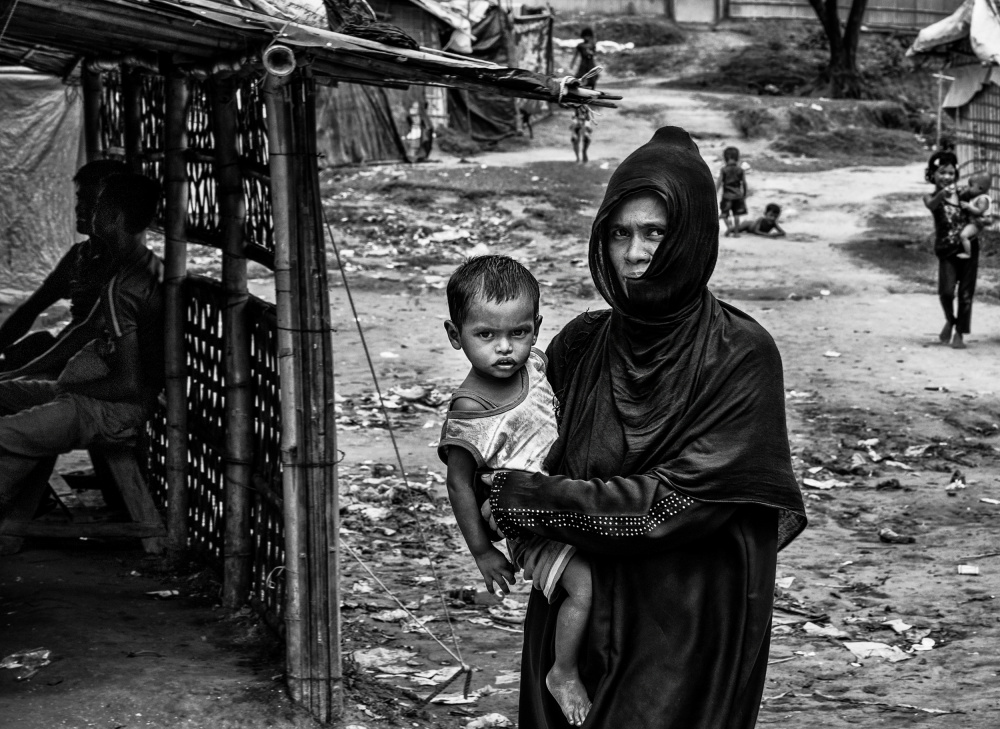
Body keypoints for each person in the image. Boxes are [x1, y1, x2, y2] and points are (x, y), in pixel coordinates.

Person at [481, 127, 806, 728]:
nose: (635, 254)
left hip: (680, 627)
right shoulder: (580, 344)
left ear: (692, 236)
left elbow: (677, 505)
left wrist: (529, 501)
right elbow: (515, 445)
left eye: (656, 232)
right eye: (619, 233)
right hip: (574, 616)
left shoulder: (739, 355)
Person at [440, 255, 593, 727]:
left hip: (567, 502)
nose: (504, 349)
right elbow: (460, 484)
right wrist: (483, 552)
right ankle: (562, 673)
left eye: (519, 333)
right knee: (585, 589)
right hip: (530, 523)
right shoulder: (471, 410)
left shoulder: (538, 367)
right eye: (485, 335)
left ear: (537, 328)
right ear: (455, 336)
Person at [0, 173, 165, 542]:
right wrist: (21, 374)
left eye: (97, 204)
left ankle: (11, 522)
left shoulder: (129, 284)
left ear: (115, 218)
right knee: (10, 396)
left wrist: (66, 385)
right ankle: (11, 523)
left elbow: (128, 383)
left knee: (9, 433)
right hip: (88, 394)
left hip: (105, 404)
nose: (85, 212)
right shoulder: (126, 271)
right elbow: (84, 330)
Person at [0, 159, 129, 374]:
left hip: (91, 366)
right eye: (80, 199)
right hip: (64, 356)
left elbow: (88, 332)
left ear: (116, 208)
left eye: (93, 202)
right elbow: (31, 309)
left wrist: (21, 373)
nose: (81, 208)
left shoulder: (124, 264)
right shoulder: (80, 256)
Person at [923, 155, 977, 349]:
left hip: (969, 247)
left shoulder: (963, 194)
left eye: (951, 173)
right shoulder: (930, 197)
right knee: (946, 292)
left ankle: (960, 333)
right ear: (932, 175)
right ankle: (951, 320)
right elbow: (931, 205)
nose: (947, 176)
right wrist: (941, 194)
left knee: (965, 294)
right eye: (942, 172)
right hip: (946, 250)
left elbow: (980, 200)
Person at [956, 172, 992, 260]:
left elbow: (979, 211)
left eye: (971, 186)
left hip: (977, 223)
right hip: (974, 221)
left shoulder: (983, 199)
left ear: (980, 188)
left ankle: (968, 253)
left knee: (963, 236)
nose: (968, 188)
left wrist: (969, 206)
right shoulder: (977, 196)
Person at [717, 146, 747, 237]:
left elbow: (719, 182)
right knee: (736, 214)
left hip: (727, 196)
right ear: (737, 158)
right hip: (738, 195)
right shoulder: (740, 170)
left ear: (725, 158)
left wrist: (714, 192)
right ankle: (736, 232)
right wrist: (744, 193)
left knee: (724, 214)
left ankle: (729, 227)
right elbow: (744, 183)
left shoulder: (724, 169)